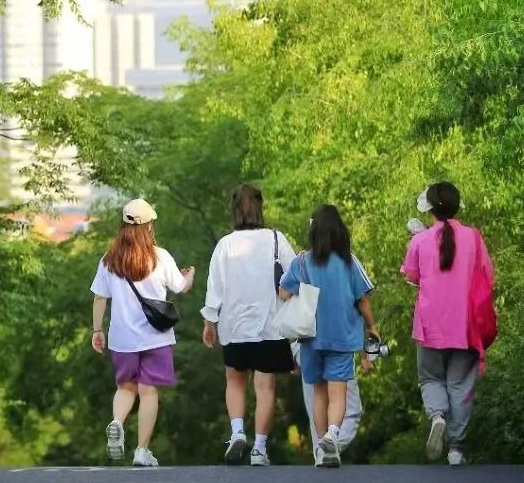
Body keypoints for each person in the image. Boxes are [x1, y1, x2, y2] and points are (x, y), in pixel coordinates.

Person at [91, 197, 194, 468]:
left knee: (125, 388)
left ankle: (117, 422)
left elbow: (100, 297)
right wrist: (190, 277)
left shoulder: (109, 259)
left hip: (122, 338)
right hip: (155, 337)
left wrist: (97, 330)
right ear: (148, 226)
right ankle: (141, 451)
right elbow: (181, 287)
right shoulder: (160, 256)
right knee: (148, 392)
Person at [201, 184, 296, 466]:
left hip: (235, 326)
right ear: (260, 208)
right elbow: (295, 274)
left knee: (235, 381)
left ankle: (237, 432)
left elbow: (214, 288)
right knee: (265, 387)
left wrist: (209, 322)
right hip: (270, 325)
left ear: (234, 211)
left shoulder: (225, 245)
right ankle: (259, 450)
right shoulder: (277, 239)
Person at [400, 180, 494, 466]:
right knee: (460, 385)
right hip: (466, 325)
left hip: (429, 325)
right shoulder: (474, 237)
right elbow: (488, 275)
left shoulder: (419, 240)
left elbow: (412, 276)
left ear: (429, 209)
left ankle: (437, 415)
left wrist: (419, 239)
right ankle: (456, 449)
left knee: (430, 378)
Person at [279, 204, 380, 468]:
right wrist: (372, 327)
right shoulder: (349, 262)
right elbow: (363, 300)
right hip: (342, 338)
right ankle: (333, 436)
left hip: (311, 338)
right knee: (338, 393)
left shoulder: (302, 262)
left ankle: (323, 450)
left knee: (319, 394)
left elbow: (283, 293)